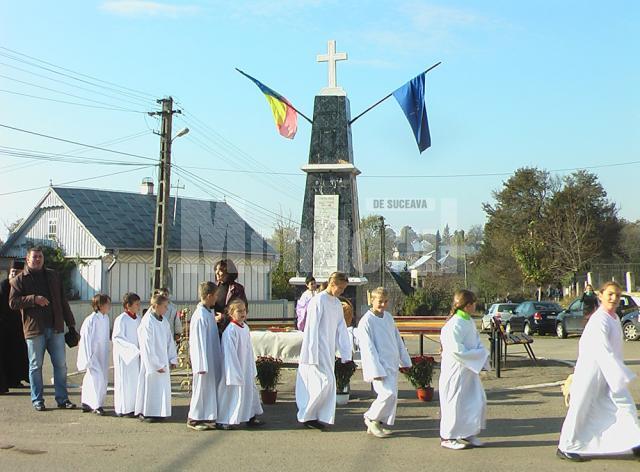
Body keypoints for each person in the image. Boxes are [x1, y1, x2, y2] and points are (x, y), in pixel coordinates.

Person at [557, 281, 640, 462]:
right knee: (581, 408)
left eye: (617, 295)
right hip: (592, 372)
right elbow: (601, 349)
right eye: (610, 294)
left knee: (626, 407)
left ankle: (634, 442)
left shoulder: (614, 318)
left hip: (610, 373)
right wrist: (619, 372)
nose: (614, 298)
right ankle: (565, 446)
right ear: (600, 295)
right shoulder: (599, 319)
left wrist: (616, 371)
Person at [9, 246, 77, 411]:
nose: (38, 259)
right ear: (28, 259)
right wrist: (34, 299)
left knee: (61, 365)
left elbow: (63, 301)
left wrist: (71, 324)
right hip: (34, 329)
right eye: (34, 257)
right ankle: (37, 400)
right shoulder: (19, 280)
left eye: (40, 256)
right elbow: (13, 302)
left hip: (55, 328)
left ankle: (63, 399)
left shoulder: (53, 276)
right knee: (35, 366)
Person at [295, 271, 353, 430]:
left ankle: (316, 415)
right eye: (340, 288)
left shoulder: (335, 303)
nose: (342, 292)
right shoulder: (317, 301)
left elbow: (341, 328)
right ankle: (307, 415)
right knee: (321, 383)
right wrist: (311, 352)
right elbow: (311, 328)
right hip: (316, 350)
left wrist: (345, 352)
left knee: (327, 383)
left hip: (328, 350)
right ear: (332, 284)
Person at [357, 287, 412, 438]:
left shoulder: (388, 317)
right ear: (372, 301)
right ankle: (371, 418)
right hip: (379, 365)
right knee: (387, 394)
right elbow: (368, 349)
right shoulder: (366, 321)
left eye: (385, 301)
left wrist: (404, 360)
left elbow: (396, 339)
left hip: (391, 364)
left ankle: (377, 423)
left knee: (392, 396)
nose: (383, 305)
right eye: (380, 301)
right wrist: (375, 370)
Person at [439, 289, 489, 450]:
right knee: (454, 404)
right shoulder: (453, 324)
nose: (475, 306)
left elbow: (476, 343)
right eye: (473, 303)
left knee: (475, 401)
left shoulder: (468, 321)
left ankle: (467, 432)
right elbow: (456, 350)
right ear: (467, 305)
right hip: (456, 372)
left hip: (469, 371)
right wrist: (479, 355)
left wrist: (481, 354)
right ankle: (448, 436)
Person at [217, 299, 264, 430]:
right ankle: (224, 419)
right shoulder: (230, 331)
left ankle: (249, 415)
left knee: (248, 392)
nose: (243, 313)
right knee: (231, 394)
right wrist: (234, 371)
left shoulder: (245, 328)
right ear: (231, 313)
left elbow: (249, 349)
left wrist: (251, 367)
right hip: (234, 369)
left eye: (244, 310)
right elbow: (229, 353)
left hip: (245, 367)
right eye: (239, 311)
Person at [135, 292, 178, 423]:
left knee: (162, 387)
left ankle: (159, 411)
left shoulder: (163, 321)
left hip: (163, 359)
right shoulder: (147, 322)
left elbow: (169, 340)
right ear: (156, 306)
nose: (166, 309)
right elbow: (147, 346)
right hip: (152, 363)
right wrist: (155, 364)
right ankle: (147, 411)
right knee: (150, 386)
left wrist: (172, 358)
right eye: (164, 306)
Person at [187, 282, 222, 431]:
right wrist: (200, 364)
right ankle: (194, 418)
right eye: (215, 296)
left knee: (209, 389)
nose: (217, 299)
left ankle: (208, 416)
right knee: (201, 389)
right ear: (209, 296)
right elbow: (197, 342)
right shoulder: (200, 316)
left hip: (211, 358)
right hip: (204, 361)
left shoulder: (208, 313)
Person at [77, 294, 111, 416]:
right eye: (107, 304)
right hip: (92, 354)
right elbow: (86, 338)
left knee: (96, 378)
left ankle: (87, 401)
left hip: (102, 354)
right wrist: (88, 356)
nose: (109, 306)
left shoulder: (106, 318)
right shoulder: (91, 320)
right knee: (97, 377)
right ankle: (97, 405)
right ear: (100, 305)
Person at [0, 260, 29, 393]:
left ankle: (15, 380)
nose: (14, 275)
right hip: (4, 326)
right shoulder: (3, 286)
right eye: (12, 272)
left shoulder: (23, 286)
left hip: (19, 326)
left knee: (17, 354)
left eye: (17, 272)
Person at [112, 292, 142, 417]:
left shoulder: (139, 319)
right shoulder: (121, 319)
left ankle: (134, 407)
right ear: (128, 305)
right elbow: (117, 338)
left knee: (135, 382)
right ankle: (123, 408)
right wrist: (132, 349)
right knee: (125, 383)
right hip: (125, 357)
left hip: (137, 357)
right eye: (136, 304)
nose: (138, 307)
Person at [213, 259, 248, 332]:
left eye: (220, 270)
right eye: (216, 269)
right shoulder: (214, 288)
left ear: (228, 272)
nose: (217, 272)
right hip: (216, 329)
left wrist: (224, 317)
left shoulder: (237, 289)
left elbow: (243, 310)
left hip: (232, 328)